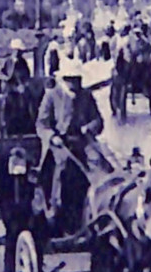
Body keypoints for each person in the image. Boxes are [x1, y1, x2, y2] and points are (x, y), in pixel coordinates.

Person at [35, 61, 110, 224]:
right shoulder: (52, 95)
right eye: (70, 79)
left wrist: (89, 127)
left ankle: (101, 204)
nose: (74, 83)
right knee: (63, 167)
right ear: (63, 79)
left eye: (77, 79)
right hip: (60, 143)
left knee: (101, 165)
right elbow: (41, 123)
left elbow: (98, 120)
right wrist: (52, 136)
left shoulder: (86, 96)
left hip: (82, 141)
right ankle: (55, 207)